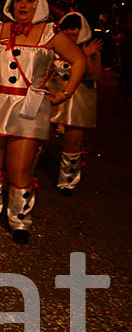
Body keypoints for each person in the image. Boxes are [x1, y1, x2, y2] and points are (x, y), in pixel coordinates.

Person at [0, 0, 84, 243]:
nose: (23, 5)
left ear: (39, 4)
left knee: (19, 169)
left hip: (29, 109)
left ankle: (19, 220)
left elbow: (79, 60)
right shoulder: (0, 29)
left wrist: (65, 93)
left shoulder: (50, 34)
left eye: (30, 0)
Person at [48, 12, 101, 196]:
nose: (70, 36)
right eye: (67, 33)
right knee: (37, 138)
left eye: (74, 33)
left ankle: (67, 182)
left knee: (73, 144)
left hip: (77, 102)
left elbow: (94, 76)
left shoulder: (90, 49)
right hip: (53, 97)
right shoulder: (53, 47)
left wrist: (84, 56)